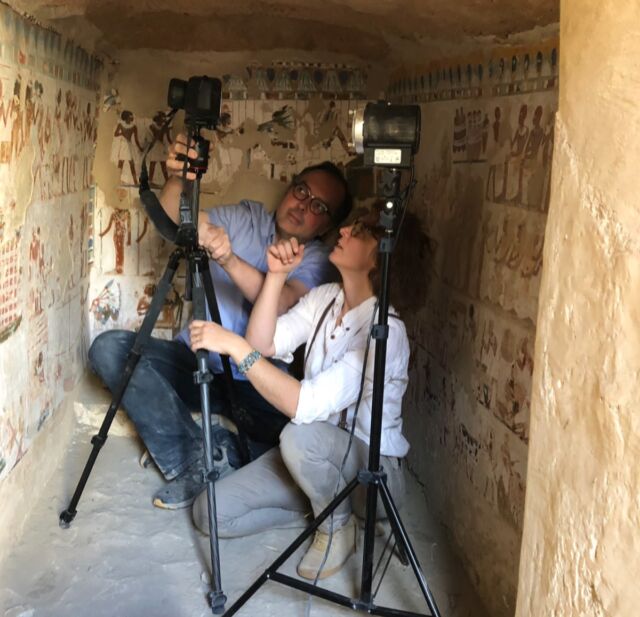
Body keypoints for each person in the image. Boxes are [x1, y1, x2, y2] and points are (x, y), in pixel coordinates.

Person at [89, 134, 352, 510]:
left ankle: (207, 444)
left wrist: (228, 258)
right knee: (110, 349)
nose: (302, 205)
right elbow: (176, 217)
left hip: (255, 381)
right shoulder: (246, 216)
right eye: (300, 190)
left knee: (293, 446)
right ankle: (195, 455)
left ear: (326, 226)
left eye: (318, 206)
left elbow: (283, 302)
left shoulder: (319, 259)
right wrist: (181, 180)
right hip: (195, 361)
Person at [190, 209, 410, 581]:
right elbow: (264, 343)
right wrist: (276, 277)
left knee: (297, 433)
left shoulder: (386, 330)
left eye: (357, 231)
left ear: (381, 255)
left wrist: (232, 346)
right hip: (312, 456)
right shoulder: (327, 298)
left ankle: (338, 525)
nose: (342, 230)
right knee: (210, 512)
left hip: (372, 476)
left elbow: (301, 404)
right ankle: (321, 506)